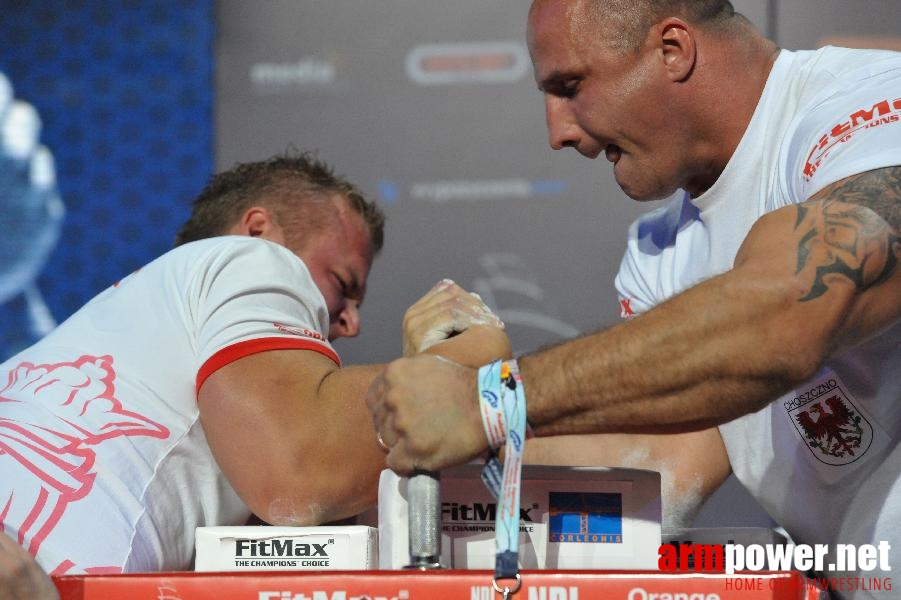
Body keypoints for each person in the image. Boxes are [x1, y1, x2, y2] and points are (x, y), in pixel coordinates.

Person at [367, 0, 900, 592]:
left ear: (673, 50)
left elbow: (786, 313)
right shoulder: (657, 251)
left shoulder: (865, 108)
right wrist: (410, 441)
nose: (558, 133)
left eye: (570, 87)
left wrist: (489, 399)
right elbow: (665, 458)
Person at [0, 151, 510, 575]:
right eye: (342, 283)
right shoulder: (249, 259)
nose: (351, 323)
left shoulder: (107, 339)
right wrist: (471, 354)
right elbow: (297, 479)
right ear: (258, 230)